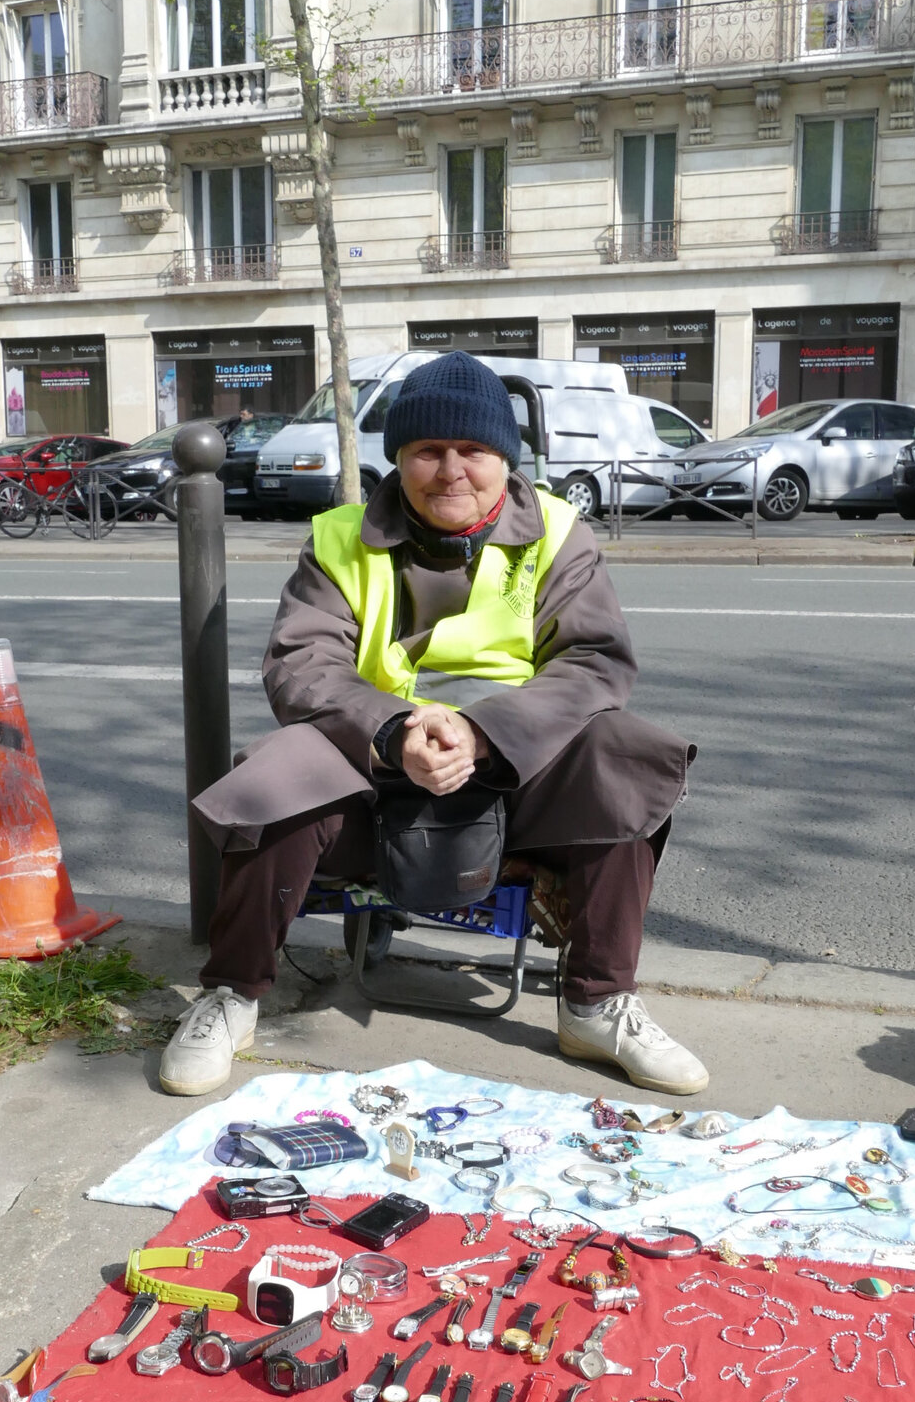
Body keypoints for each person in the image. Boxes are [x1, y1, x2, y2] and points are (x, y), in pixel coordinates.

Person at [160, 350, 707, 1099]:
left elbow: (594, 662)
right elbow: (301, 664)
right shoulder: (337, 538)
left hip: (518, 772)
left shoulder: (559, 533)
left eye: (473, 450)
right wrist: (392, 732)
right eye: (427, 450)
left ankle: (596, 1003)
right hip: (375, 768)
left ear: (504, 459)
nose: (451, 469)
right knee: (275, 770)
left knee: (628, 755)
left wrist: (483, 734)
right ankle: (231, 995)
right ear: (400, 459)